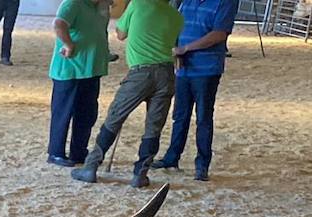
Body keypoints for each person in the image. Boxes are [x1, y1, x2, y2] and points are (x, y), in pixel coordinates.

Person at [71, 0, 182, 187]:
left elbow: (121, 34)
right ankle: (140, 173)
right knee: (153, 127)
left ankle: (91, 166)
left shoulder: (138, 4)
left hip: (140, 72)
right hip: (167, 73)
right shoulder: (177, 16)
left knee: (115, 117)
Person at [151, 0, 235, 180]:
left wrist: (186, 48)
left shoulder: (225, 2)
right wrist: (175, 49)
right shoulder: (188, 1)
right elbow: (177, 24)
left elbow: (219, 34)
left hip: (207, 68)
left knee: (203, 116)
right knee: (180, 115)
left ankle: (202, 164)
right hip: (184, 67)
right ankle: (172, 157)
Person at [48, 0, 111, 166]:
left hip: (92, 69)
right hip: (70, 69)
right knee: (63, 113)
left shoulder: (102, 6)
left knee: (87, 114)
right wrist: (68, 44)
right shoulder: (73, 3)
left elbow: (100, 31)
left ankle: (79, 152)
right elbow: (59, 24)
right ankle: (56, 153)